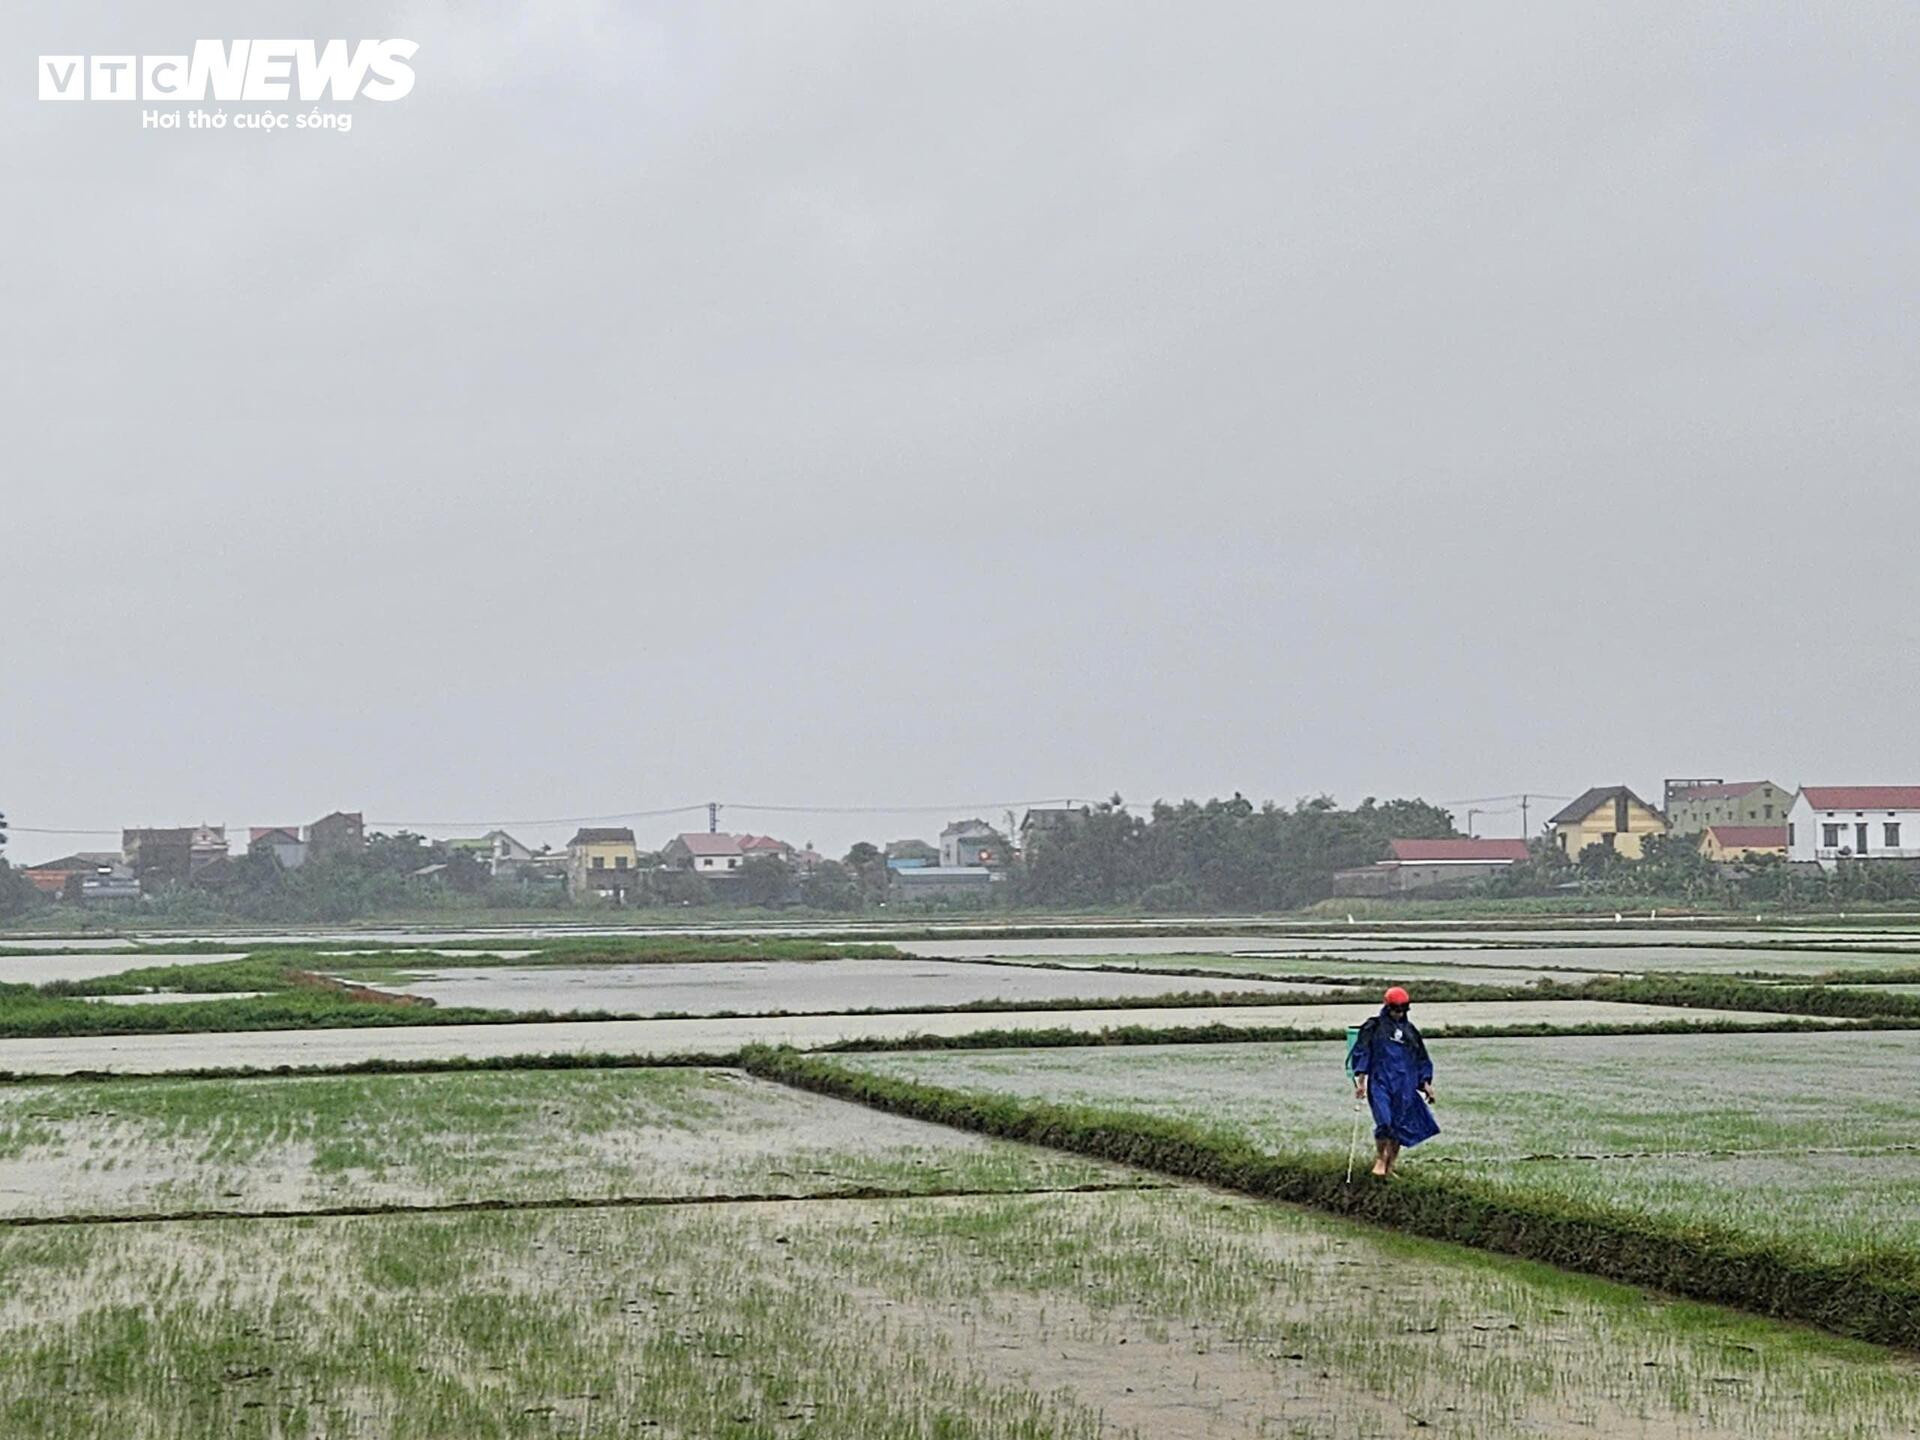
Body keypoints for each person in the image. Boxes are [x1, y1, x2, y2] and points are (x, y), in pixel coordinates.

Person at [1350, 986, 1437, 1177]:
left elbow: (1421, 1058)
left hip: (1404, 1085)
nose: (1398, 1014)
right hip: (1380, 1082)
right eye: (1395, 1009)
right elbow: (1363, 1053)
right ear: (1387, 1006)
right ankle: (1380, 1158)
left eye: (1402, 1010)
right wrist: (1361, 1082)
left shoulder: (1410, 1032)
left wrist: (1426, 1084)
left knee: (1399, 1127)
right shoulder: (1374, 1027)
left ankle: (1390, 1166)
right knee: (1385, 1122)